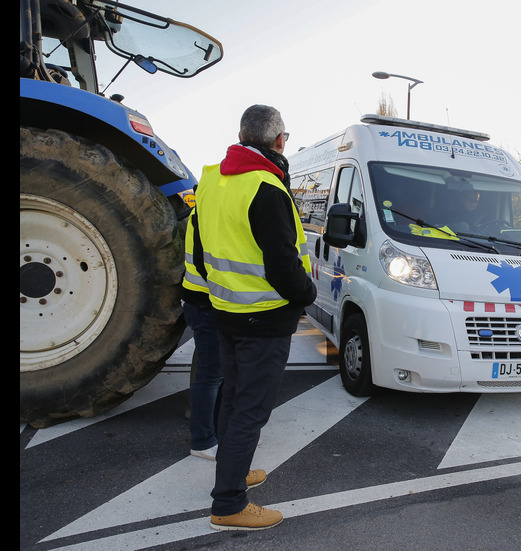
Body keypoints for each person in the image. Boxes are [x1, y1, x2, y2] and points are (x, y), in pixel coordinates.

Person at [192, 105, 317, 531]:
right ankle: (228, 504)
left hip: (225, 310)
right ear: (279, 141)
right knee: (250, 408)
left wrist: (218, 292)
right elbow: (284, 266)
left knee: (233, 399)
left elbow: (198, 249)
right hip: (264, 319)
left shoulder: (214, 181)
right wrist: (308, 294)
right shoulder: (266, 189)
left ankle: (233, 469)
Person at [183, 206, 222, 461]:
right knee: (210, 376)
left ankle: (213, 433)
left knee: (215, 374)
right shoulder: (212, 209)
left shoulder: (202, 207)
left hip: (200, 300)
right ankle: (203, 441)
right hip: (207, 302)